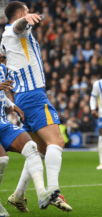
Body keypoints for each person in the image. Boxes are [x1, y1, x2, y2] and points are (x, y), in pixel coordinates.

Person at [1, 1, 72, 212]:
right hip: (33, 96)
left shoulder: (5, 39)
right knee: (57, 141)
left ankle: (19, 195)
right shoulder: (16, 31)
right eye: (26, 10)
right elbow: (18, 27)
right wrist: (24, 20)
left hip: (24, 97)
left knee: (40, 148)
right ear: (22, 12)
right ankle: (53, 191)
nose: (30, 13)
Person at [0, 63, 61, 214]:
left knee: (32, 148)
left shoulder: (2, 68)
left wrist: (11, 104)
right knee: (2, 160)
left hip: (2, 122)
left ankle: (42, 194)